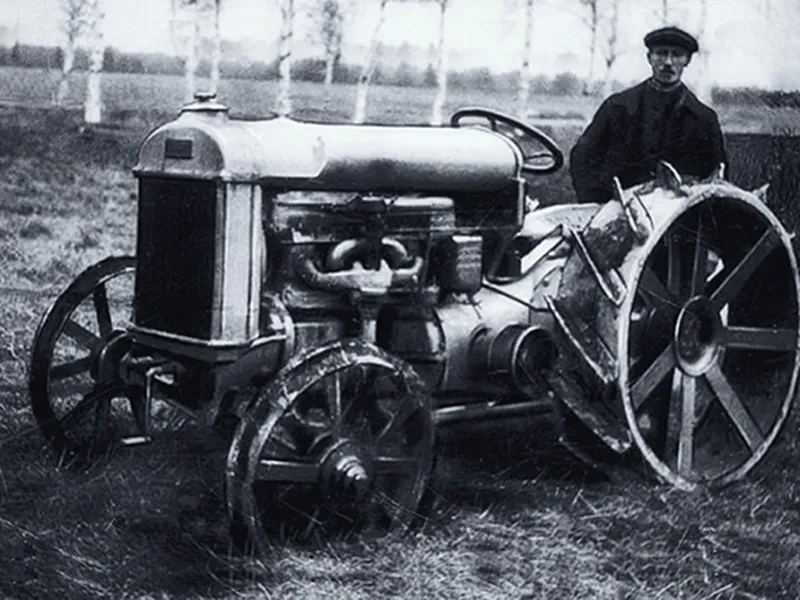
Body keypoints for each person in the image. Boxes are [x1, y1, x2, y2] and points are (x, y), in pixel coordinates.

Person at [569, 26, 728, 204]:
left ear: (687, 61)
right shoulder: (617, 107)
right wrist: (597, 203)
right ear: (649, 58)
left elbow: (716, 178)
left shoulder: (703, 119)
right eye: (660, 54)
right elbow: (582, 156)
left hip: (677, 216)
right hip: (618, 210)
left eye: (676, 55)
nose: (668, 62)